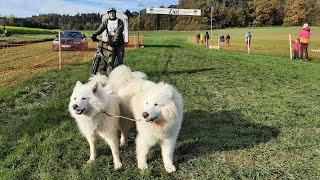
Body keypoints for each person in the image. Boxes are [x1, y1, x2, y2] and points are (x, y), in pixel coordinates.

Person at [91, 8, 125, 74]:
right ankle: (109, 75)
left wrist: (114, 41)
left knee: (120, 61)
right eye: (110, 13)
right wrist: (94, 34)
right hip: (110, 43)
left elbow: (118, 32)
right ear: (108, 14)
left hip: (119, 44)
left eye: (113, 13)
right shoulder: (106, 21)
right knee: (110, 60)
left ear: (115, 14)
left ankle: (121, 75)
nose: (112, 14)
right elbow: (100, 28)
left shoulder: (119, 21)